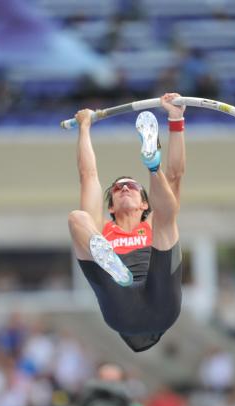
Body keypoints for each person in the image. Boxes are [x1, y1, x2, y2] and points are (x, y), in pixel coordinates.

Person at [68, 92, 186, 352]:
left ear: (145, 203)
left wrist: (176, 119)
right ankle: (112, 265)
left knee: (167, 217)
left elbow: (175, 175)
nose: (123, 189)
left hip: (160, 295)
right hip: (122, 304)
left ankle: (152, 165)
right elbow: (88, 175)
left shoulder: (152, 221)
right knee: (78, 218)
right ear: (109, 206)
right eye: (118, 189)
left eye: (131, 186)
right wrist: (84, 128)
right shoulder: (102, 229)